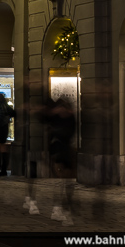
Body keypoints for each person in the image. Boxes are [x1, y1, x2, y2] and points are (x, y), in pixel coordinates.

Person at [44, 96, 77, 225]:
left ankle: (63, 209)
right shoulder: (56, 118)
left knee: (67, 182)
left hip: (66, 150)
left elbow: (70, 133)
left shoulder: (69, 117)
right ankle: (59, 209)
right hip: (58, 150)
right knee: (61, 181)